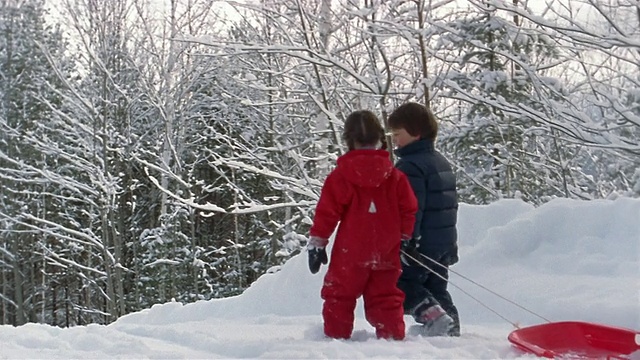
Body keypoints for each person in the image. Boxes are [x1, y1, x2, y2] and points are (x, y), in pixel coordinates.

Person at [307, 110, 418, 340]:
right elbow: (409, 209)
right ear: (380, 139)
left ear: (349, 140)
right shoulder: (396, 177)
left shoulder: (341, 177)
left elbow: (327, 213)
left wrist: (318, 243)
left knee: (339, 295)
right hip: (387, 249)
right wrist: (406, 238)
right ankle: (392, 342)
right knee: (386, 297)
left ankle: (335, 342)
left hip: (351, 251)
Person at [388, 102, 460, 337]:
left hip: (420, 244)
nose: (395, 140)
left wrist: (407, 241)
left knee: (402, 285)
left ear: (415, 132)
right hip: (442, 242)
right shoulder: (439, 161)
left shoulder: (410, 166)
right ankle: (450, 328)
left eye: (398, 134)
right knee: (436, 287)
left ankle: (435, 318)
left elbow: (412, 208)